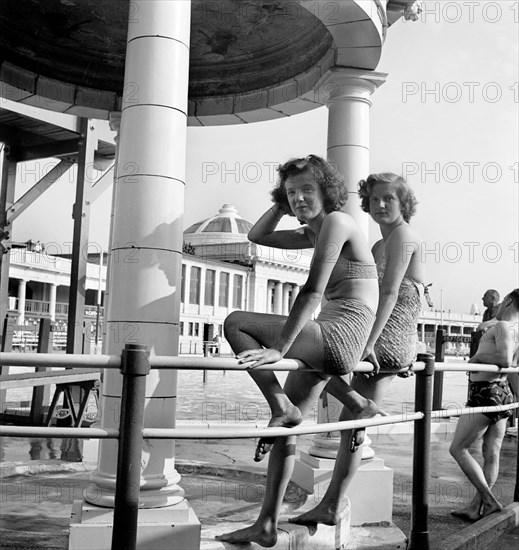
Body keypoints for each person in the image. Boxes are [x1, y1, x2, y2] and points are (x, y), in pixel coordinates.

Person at [216, 155, 379, 546]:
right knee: (289, 428)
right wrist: (282, 201)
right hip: (334, 340)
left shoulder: (338, 222)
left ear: (328, 190)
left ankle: (281, 406)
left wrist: (279, 348)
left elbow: (312, 291)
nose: (300, 198)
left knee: (236, 322)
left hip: (338, 334)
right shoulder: (314, 231)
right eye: (292, 193)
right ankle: (267, 524)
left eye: (308, 189)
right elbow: (256, 236)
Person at [289, 172, 426, 527]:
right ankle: (332, 503)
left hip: (385, 341)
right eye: (374, 199)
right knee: (350, 420)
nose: (380, 205)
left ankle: (332, 503)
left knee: (315, 363)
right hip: (383, 337)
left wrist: (367, 342)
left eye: (389, 199)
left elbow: (393, 293)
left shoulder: (403, 235)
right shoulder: (379, 245)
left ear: (403, 203)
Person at [449, 289, 519, 521]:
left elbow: (505, 360)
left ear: (507, 300)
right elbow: (513, 368)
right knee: (492, 454)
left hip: (485, 393)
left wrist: (477, 359)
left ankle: (489, 500)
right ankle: (475, 506)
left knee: (458, 448)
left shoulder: (502, 327)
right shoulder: (514, 328)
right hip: (503, 394)